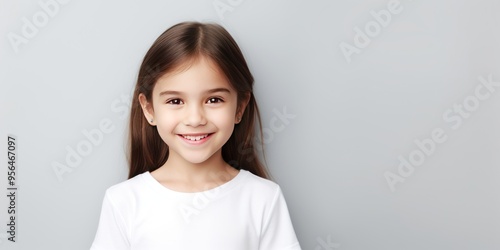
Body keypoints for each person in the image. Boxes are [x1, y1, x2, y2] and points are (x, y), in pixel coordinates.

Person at [90, 21, 301, 250]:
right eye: (175, 101)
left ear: (239, 107)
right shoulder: (124, 202)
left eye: (214, 100)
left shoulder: (263, 199)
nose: (195, 118)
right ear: (149, 109)